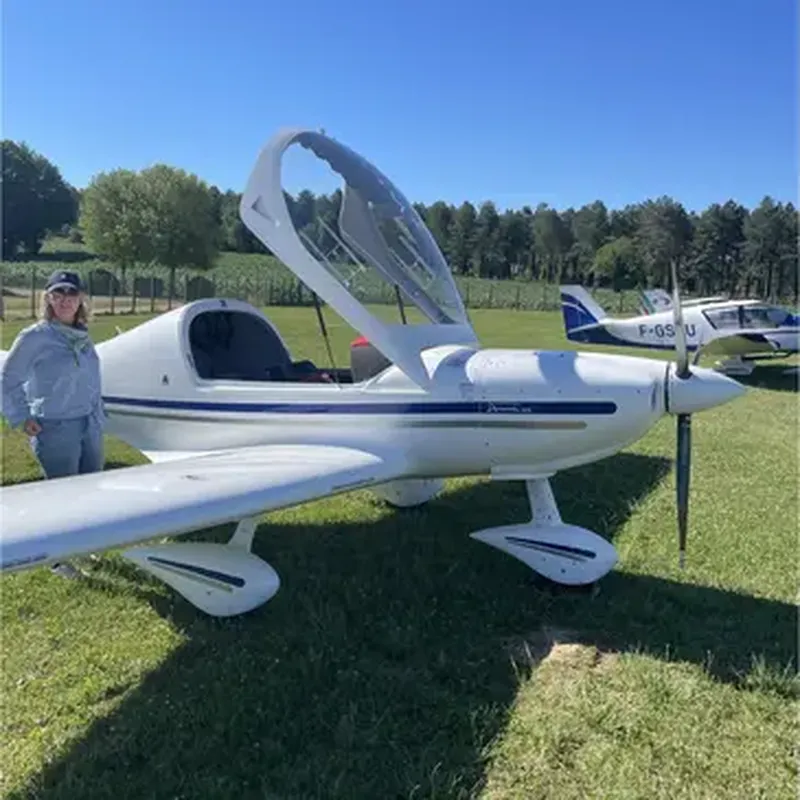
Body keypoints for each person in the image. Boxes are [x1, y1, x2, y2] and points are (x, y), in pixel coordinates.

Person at [0, 270, 106, 578]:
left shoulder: (81, 334)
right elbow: (8, 379)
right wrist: (22, 416)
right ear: (47, 298)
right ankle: (58, 559)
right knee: (62, 496)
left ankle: (81, 546)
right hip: (57, 426)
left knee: (88, 490)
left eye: (71, 294)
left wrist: (97, 415)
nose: (64, 300)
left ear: (81, 299)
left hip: (89, 423)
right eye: (57, 294)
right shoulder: (35, 337)